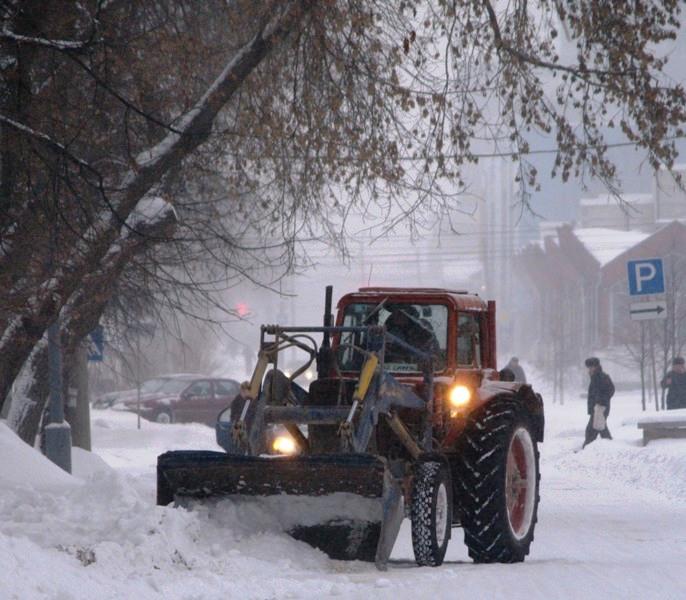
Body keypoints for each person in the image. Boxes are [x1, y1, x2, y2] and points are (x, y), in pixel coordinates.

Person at [582, 357, 615, 448]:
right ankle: (611, 445)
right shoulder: (594, 377)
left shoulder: (602, 377)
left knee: (591, 429)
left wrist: (600, 401)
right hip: (597, 408)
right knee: (601, 428)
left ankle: (586, 448)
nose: (589, 369)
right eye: (588, 367)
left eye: (591, 367)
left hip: (601, 408)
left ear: (596, 366)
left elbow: (611, 390)